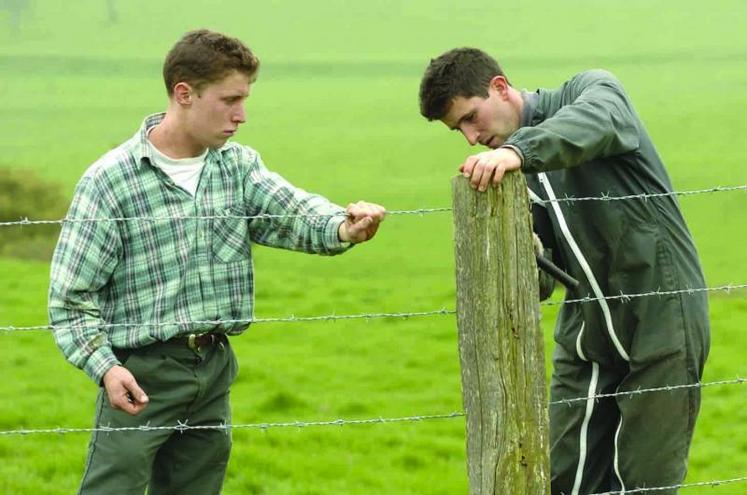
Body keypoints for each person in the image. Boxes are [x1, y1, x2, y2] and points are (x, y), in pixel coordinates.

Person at [48, 29, 386, 495]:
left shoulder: (236, 167)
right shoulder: (111, 182)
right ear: (184, 94)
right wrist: (105, 366)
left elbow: (290, 211)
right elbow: (69, 298)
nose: (241, 115)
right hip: (139, 375)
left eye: (244, 99)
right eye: (230, 100)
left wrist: (343, 225)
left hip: (213, 367)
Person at [419, 48, 709, 495]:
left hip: (663, 321)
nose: (471, 138)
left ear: (500, 87)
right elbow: (542, 281)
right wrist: (518, 254)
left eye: (471, 118)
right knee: (559, 479)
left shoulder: (590, 92)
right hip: (587, 336)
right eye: (458, 128)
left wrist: (518, 151)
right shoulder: (516, 171)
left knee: (643, 480)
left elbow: (603, 120)